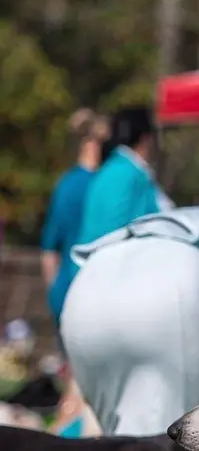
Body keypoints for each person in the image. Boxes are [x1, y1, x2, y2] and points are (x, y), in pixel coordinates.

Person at [59, 204, 199, 436]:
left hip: (88, 284)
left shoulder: (183, 219)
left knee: (118, 443)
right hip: (170, 279)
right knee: (191, 439)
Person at [40, 108, 109, 325]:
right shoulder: (106, 186)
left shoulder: (65, 185)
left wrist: (55, 296)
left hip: (65, 290)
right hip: (97, 294)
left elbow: (49, 250)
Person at [74, 105, 173, 249]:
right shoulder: (137, 175)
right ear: (146, 139)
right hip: (117, 263)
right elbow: (167, 220)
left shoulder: (106, 171)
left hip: (89, 265)